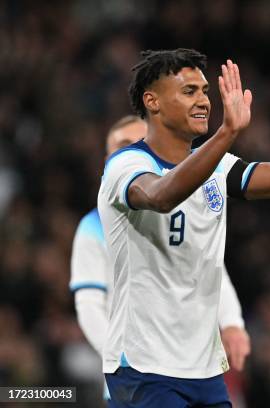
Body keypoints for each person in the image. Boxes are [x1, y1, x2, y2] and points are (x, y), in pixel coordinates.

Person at [98, 48, 270, 407]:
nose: (203, 101)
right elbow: (161, 196)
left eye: (205, 91)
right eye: (189, 92)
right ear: (151, 101)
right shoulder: (126, 165)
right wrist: (227, 132)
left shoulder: (218, 167)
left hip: (204, 371)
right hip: (143, 366)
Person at [70, 115, 251, 404]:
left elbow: (212, 270)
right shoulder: (94, 227)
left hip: (194, 368)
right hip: (139, 373)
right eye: (121, 145)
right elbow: (90, 304)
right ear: (107, 158)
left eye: (137, 143)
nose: (130, 151)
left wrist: (231, 322)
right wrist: (122, 356)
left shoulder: (190, 209)